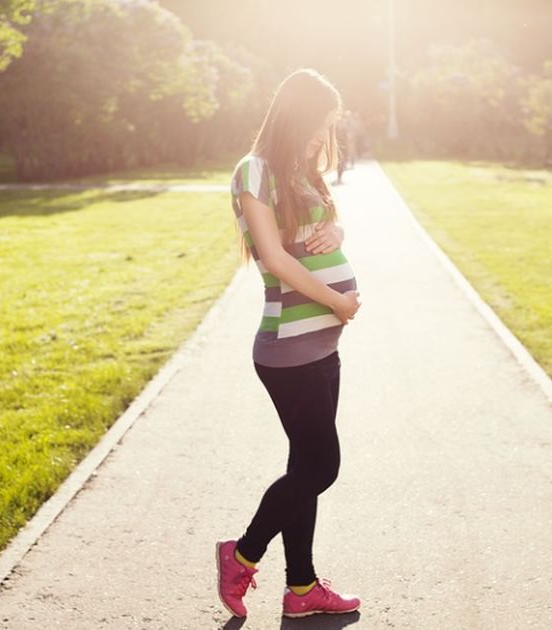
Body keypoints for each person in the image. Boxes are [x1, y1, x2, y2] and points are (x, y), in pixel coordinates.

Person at [217, 68, 363, 620]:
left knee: (304, 465)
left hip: (322, 347)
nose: (317, 140)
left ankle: (301, 590)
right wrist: (336, 300)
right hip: (288, 350)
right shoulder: (252, 172)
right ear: (294, 117)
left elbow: (325, 227)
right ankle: (243, 554)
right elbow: (274, 257)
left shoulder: (300, 171)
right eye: (314, 127)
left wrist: (340, 234)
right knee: (321, 466)